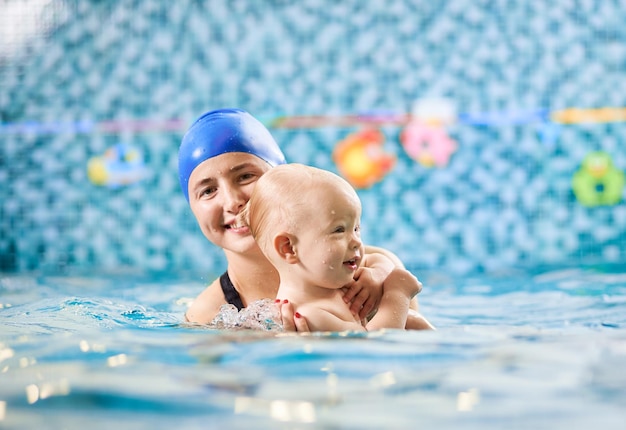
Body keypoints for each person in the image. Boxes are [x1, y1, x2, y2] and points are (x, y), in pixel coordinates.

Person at [178, 108, 434, 330]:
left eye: (245, 176)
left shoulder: (368, 271)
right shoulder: (206, 315)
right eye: (208, 191)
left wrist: (385, 285)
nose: (232, 201)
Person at [243, 163, 421, 331]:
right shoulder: (310, 314)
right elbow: (375, 346)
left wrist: (378, 272)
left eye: (356, 229)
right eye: (339, 230)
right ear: (289, 248)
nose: (357, 241)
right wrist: (397, 295)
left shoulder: (330, 277)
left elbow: (375, 259)